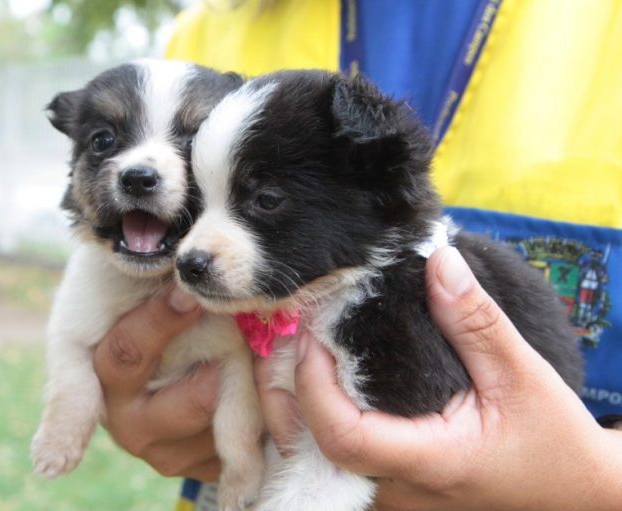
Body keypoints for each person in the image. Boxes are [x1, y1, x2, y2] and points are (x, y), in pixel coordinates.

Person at [94, 0, 622, 509]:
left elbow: (349, 452)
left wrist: (595, 481)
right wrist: (132, 390)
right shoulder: (205, 33)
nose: (192, 251)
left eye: (265, 200)